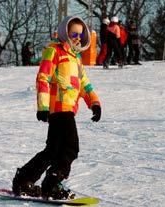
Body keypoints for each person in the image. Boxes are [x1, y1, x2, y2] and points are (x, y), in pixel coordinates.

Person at [11, 16, 101, 200]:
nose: (77, 37)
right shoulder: (54, 51)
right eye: (73, 34)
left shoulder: (76, 58)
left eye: (80, 34)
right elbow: (43, 78)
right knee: (70, 148)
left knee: (52, 151)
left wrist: (94, 103)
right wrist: (42, 106)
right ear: (64, 33)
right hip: (59, 109)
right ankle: (52, 184)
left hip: (68, 109)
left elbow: (84, 84)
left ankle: (24, 179)